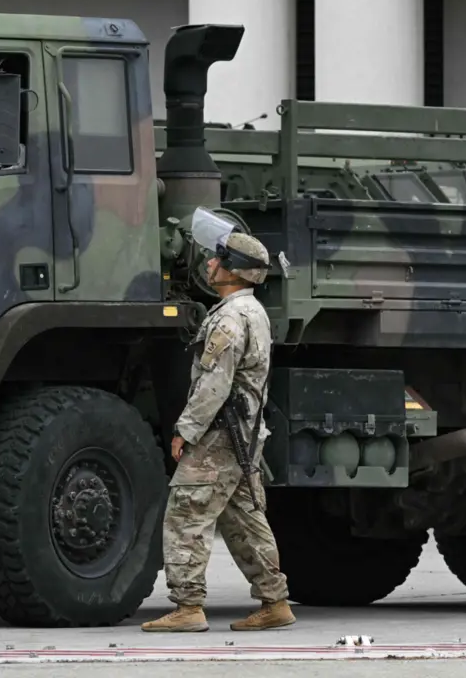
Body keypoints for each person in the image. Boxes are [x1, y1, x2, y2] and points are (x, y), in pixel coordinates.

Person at [141, 224, 296, 633]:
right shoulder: (254, 312)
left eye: (219, 259)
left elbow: (214, 383)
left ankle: (188, 606)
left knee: (185, 512)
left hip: (220, 433)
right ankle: (275, 600)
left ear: (235, 271)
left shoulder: (229, 318)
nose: (210, 263)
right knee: (243, 514)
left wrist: (186, 430)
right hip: (244, 432)